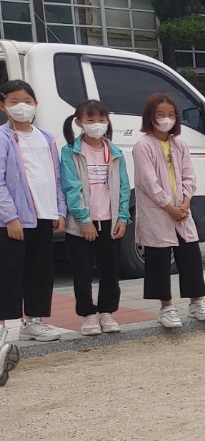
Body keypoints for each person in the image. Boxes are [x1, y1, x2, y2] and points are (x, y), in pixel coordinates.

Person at [132, 94, 205, 329]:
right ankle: (166, 307)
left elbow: (189, 175)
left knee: (190, 255)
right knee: (158, 259)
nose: (166, 119)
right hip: (158, 211)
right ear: (150, 117)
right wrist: (169, 206)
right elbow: (148, 182)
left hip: (181, 210)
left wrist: (185, 202)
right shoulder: (143, 146)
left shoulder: (179, 145)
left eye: (170, 114)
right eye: (160, 114)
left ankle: (196, 301)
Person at [0, 79, 66, 354]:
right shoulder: (2, 138)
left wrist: (59, 210)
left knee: (40, 271)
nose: (21, 107)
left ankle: (33, 321)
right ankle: (2, 327)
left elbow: (57, 177)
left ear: (36, 103)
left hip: (44, 214)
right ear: (3, 106)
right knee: (8, 272)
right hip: (15, 220)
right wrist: (10, 217)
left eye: (26, 101)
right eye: (14, 101)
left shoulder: (47, 138)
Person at [60, 101, 131, 336]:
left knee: (110, 269)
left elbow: (123, 188)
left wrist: (123, 217)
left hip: (109, 221)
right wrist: (84, 220)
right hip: (82, 225)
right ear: (79, 122)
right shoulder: (70, 151)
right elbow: (71, 187)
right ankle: (88, 315)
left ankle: (107, 312)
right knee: (82, 272)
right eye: (90, 120)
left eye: (102, 119)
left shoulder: (115, 151)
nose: (97, 124)